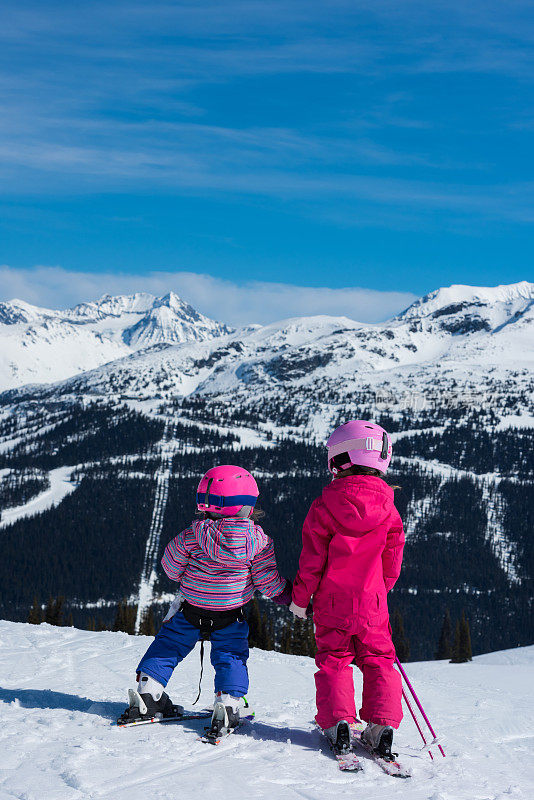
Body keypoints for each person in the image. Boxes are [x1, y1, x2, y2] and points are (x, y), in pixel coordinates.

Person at [122, 464, 292, 734]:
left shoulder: (193, 535)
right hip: (230, 615)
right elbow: (266, 580)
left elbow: (171, 566)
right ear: (247, 504)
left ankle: (148, 694)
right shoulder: (259, 542)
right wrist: (287, 596)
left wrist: (185, 574)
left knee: (168, 646)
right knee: (231, 656)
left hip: (190, 609)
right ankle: (227, 704)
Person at [290, 420, 405, 759]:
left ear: (341, 459)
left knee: (335, 660)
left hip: (332, 600)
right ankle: (382, 726)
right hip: (372, 601)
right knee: (380, 659)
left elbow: (312, 560)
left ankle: (337, 722)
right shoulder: (389, 508)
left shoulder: (324, 506)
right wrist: (380, 590)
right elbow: (393, 559)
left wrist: (300, 599)